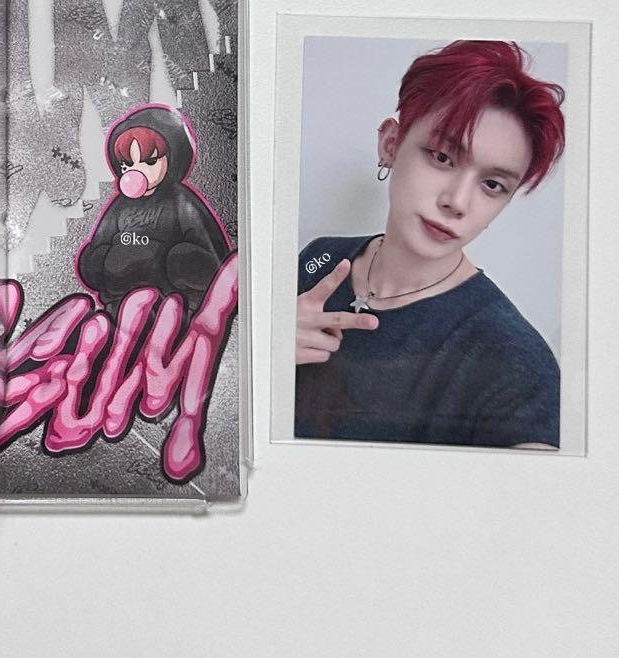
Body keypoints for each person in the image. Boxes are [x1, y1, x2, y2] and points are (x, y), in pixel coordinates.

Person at [295, 41, 564, 448]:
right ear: (391, 144)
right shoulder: (321, 259)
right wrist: (259, 350)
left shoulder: (517, 362)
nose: (457, 202)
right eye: (442, 157)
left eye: (492, 184)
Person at [78, 105, 230, 315]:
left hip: (172, 305)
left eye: (149, 161)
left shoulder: (181, 200)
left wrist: (169, 260)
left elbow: (210, 255)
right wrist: (107, 264)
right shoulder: (120, 205)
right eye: (127, 164)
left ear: (172, 158)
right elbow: (97, 248)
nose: (137, 171)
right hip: (120, 303)